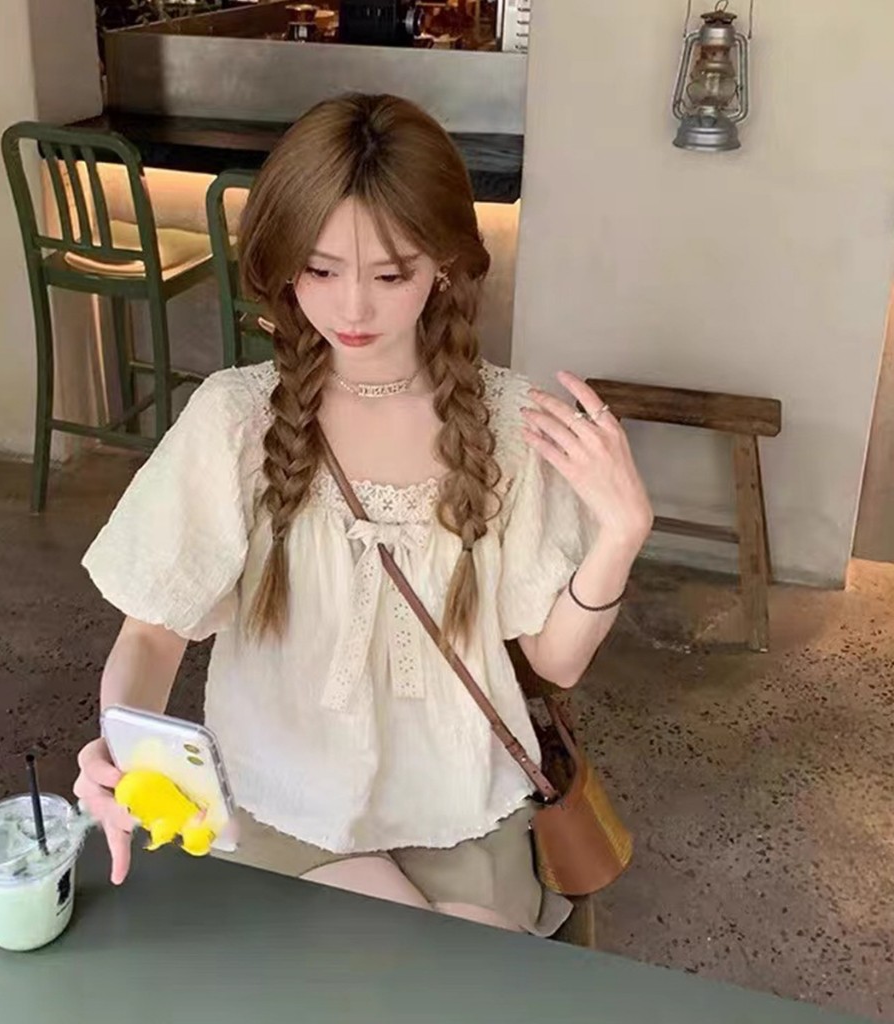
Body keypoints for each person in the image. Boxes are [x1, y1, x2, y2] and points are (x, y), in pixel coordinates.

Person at [75, 93, 653, 935]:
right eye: (319, 271)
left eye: (389, 275)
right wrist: (123, 742)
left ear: (444, 265)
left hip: (461, 802)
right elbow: (153, 633)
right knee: (388, 964)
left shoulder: (508, 423)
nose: (351, 310)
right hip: (283, 797)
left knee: (456, 983)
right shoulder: (237, 418)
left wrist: (621, 537)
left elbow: (553, 661)